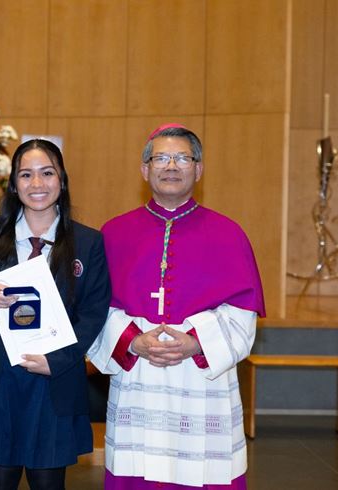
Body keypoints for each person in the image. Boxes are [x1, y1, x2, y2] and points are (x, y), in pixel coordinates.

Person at [88, 124, 266, 489]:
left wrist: (196, 342)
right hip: (138, 375)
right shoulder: (113, 233)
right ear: (145, 169)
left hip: (201, 383)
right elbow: (93, 307)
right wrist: (133, 340)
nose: (171, 166)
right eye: (161, 158)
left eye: (183, 158)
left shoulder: (229, 234)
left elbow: (242, 313)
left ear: (198, 169)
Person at [0, 139, 111, 490]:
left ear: (62, 180)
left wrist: (57, 360)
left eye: (47, 173)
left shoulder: (88, 242)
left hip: (53, 380)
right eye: (26, 175)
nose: (37, 183)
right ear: (13, 183)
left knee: (48, 483)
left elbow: (93, 313)